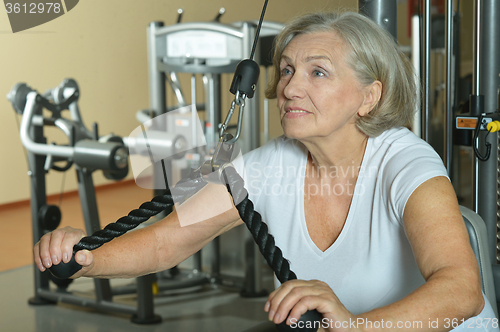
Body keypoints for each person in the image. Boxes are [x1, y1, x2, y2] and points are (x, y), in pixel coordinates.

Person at [34, 11, 498, 331]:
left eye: (318, 72)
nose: (290, 87)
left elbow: (461, 292)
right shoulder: (272, 165)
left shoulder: (406, 162)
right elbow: (167, 240)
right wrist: (85, 257)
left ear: (369, 96)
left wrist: (357, 327)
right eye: (289, 69)